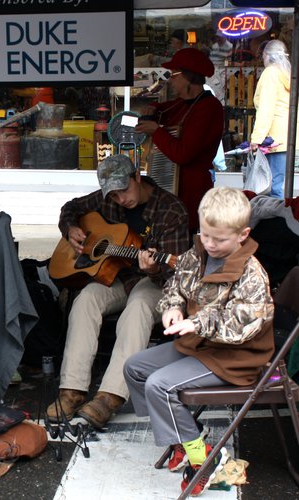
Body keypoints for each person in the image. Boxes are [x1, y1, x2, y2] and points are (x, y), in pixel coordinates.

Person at [124, 187, 274, 496]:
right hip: (199, 345)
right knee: (135, 368)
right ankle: (185, 440)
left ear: (243, 234)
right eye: (205, 235)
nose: (210, 244)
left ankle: (203, 458)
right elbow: (174, 288)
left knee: (159, 385)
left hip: (235, 357)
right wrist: (172, 310)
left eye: (219, 239)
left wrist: (197, 321)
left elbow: (242, 324)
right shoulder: (196, 255)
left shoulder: (252, 274)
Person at [46, 154, 189, 429]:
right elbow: (71, 207)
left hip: (156, 281)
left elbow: (178, 275)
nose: (121, 200)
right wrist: (71, 228)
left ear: (137, 177)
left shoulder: (171, 211)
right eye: (113, 195)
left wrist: (153, 269)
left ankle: (110, 396)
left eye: (124, 190)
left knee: (138, 308)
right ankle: (72, 390)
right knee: (86, 299)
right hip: (116, 276)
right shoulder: (106, 200)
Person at [135, 48, 224, 233]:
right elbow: (162, 107)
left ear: (188, 77)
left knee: (185, 240)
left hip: (191, 191)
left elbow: (184, 154)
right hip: (172, 188)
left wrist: (157, 131)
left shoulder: (208, 108)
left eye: (173, 74)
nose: (170, 79)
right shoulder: (183, 103)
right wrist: (151, 108)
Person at [250, 40, 293, 199]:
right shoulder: (288, 74)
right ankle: (281, 220)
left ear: (266, 55)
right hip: (285, 137)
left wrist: (257, 138)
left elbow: (266, 108)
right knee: (277, 184)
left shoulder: (270, 74)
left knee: (270, 187)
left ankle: (276, 222)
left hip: (272, 138)